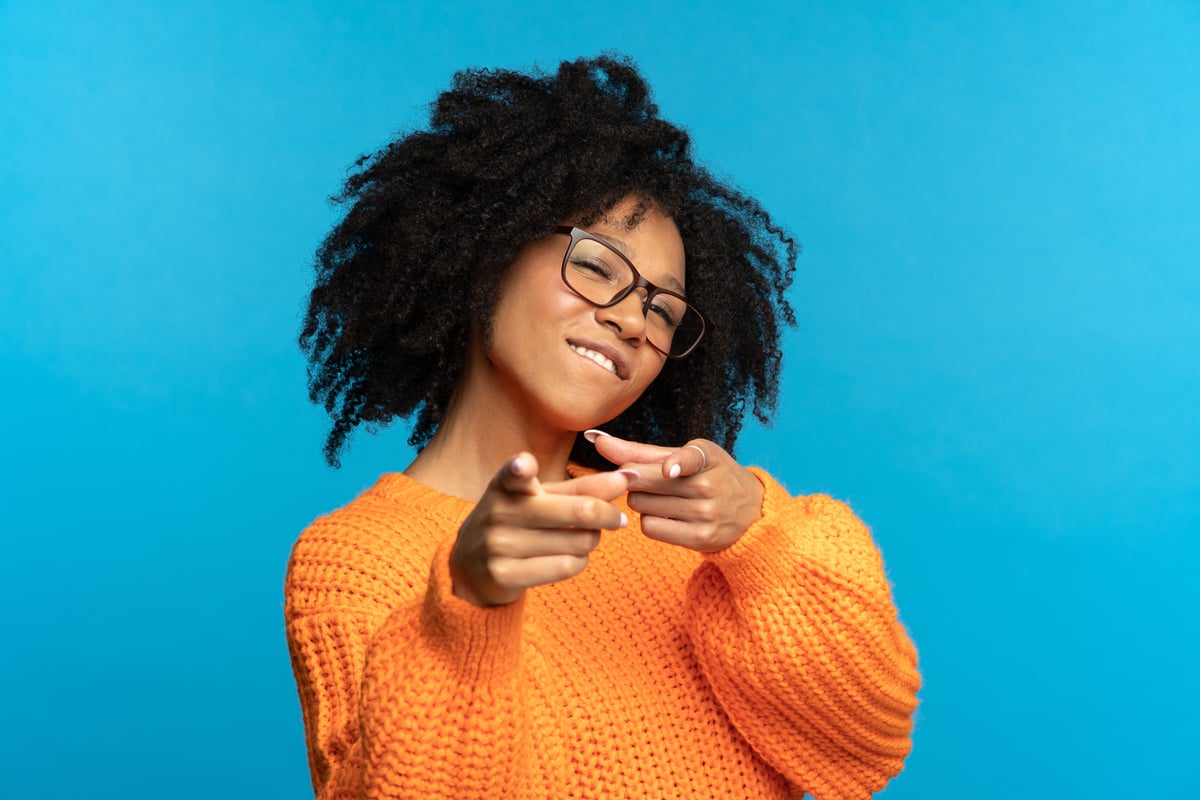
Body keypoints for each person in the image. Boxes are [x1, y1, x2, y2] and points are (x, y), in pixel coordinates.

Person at [285, 55, 920, 800]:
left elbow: (866, 748)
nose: (629, 318)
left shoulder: (693, 534)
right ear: (489, 253)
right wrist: (468, 607)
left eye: (662, 310)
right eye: (597, 266)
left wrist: (764, 539)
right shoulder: (354, 560)